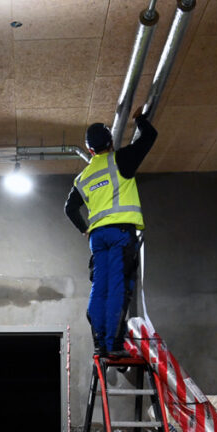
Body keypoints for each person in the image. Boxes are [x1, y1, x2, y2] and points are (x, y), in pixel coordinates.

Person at [64, 110, 158, 358]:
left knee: (100, 287)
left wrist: (85, 229)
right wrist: (139, 118)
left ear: (91, 150)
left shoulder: (83, 178)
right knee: (117, 287)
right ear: (110, 143)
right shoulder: (121, 161)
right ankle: (113, 344)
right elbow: (150, 136)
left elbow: (69, 208)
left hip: (98, 238)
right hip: (120, 233)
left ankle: (99, 342)